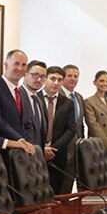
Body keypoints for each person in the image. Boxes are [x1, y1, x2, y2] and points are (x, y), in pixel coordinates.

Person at [0, 49, 40, 146]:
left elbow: (28, 123)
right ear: (6, 65)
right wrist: (19, 140)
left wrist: (27, 143)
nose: (20, 68)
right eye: (16, 64)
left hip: (23, 152)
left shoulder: (22, 92)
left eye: (24, 65)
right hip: (4, 151)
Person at [40, 66, 77, 195]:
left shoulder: (67, 103)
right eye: (52, 78)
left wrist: (53, 148)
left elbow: (71, 129)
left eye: (59, 80)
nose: (56, 83)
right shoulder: (35, 98)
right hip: (37, 153)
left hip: (58, 154)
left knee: (57, 193)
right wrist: (42, 148)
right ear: (45, 79)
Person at [22, 60, 49, 148]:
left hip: (38, 156)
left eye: (42, 76)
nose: (39, 79)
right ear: (25, 74)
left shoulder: (39, 100)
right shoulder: (17, 97)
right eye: (35, 75)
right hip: (21, 154)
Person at [61, 64, 85, 140]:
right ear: (63, 77)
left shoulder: (79, 97)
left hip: (78, 142)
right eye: (69, 76)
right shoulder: (57, 95)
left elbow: (80, 123)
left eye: (75, 76)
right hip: (61, 141)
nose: (73, 79)